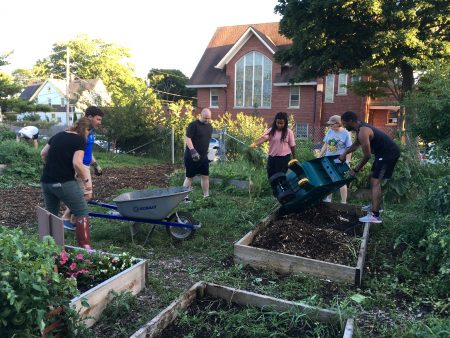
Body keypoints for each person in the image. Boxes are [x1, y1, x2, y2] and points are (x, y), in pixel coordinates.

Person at [40, 117, 93, 249]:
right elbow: (77, 163)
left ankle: (49, 248)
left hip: (46, 182)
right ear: (86, 130)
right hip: (64, 182)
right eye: (89, 133)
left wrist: (55, 165)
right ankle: (86, 248)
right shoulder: (80, 140)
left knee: (51, 214)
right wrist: (87, 182)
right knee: (81, 211)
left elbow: (43, 153)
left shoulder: (58, 135)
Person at [338, 111, 400, 223]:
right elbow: (356, 144)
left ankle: (375, 215)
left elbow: (366, 156)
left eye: (344, 123)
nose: (344, 126)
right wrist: (344, 153)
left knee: (375, 181)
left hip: (388, 154)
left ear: (351, 121)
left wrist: (355, 170)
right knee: (371, 177)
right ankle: (375, 206)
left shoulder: (363, 131)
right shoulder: (360, 128)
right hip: (381, 154)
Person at [62, 106, 104, 226]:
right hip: (79, 166)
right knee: (86, 196)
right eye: (98, 119)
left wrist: (95, 164)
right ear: (89, 117)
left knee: (82, 195)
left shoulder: (90, 132)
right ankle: (66, 218)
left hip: (85, 165)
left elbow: (88, 151)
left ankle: (73, 221)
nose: (99, 122)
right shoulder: (80, 132)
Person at [318, 115, 352, 204]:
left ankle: (343, 202)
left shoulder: (345, 133)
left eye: (331, 124)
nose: (330, 126)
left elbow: (349, 149)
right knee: (330, 179)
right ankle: (328, 199)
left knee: (341, 181)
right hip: (328, 158)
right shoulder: (330, 131)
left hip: (340, 160)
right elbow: (325, 145)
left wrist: (348, 161)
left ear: (338, 124)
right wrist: (319, 156)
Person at [251, 112, 296, 179]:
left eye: (281, 123)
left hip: (284, 159)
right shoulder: (271, 131)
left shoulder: (289, 132)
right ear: (275, 121)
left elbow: (292, 146)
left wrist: (294, 157)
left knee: (280, 177)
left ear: (285, 123)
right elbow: (263, 138)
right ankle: (274, 189)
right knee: (271, 177)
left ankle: (281, 189)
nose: (279, 125)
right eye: (278, 123)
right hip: (272, 158)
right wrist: (254, 144)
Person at [183, 108, 213, 201]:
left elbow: (206, 140)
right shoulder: (193, 125)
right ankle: (184, 198)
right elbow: (188, 139)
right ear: (201, 115)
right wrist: (193, 150)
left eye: (209, 118)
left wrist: (210, 152)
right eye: (205, 118)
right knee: (189, 177)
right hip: (192, 156)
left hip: (203, 157)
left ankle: (206, 196)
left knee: (205, 176)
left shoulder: (209, 126)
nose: (207, 120)